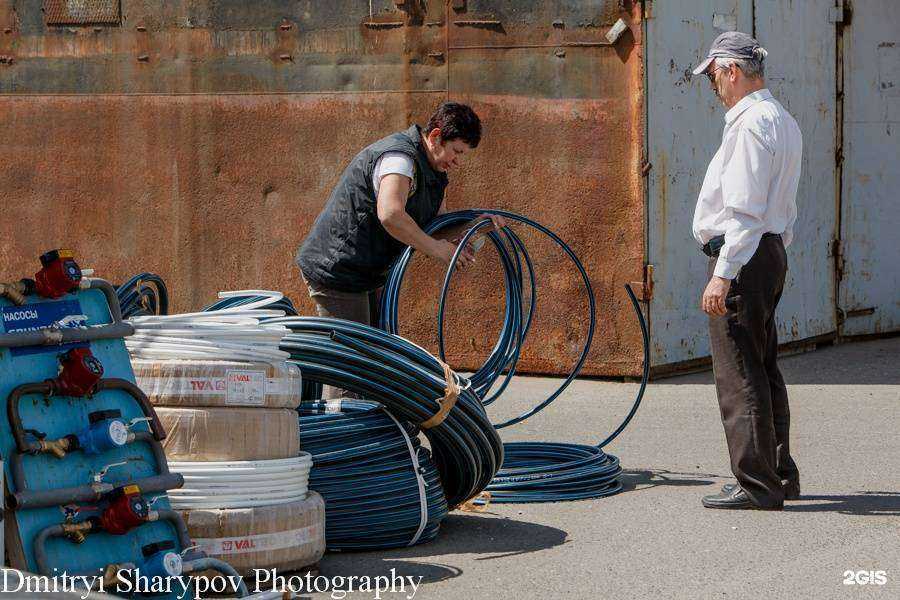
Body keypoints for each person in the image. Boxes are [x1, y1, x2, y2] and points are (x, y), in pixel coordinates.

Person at [296, 102, 504, 396]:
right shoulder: (399, 159)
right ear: (435, 136)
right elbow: (391, 214)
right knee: (353, 367)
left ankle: (369, 419)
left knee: (377, 356)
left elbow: (435, 226)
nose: (458, 161)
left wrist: (475, 226)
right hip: (339, 269)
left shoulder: (433, 171)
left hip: (367, 272)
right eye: (456, 151)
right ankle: (345, 423)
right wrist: (437, 249)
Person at [690, 32, 803, 510]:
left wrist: (724, 272)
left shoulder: (749, 124)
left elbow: (744, 210)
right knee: (762, 365)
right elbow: (781, 208)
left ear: (732, 71)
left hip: (746, 254)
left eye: (714, 76)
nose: (714, 86)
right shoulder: (782, 120)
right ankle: (778, 474)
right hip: (767, 251)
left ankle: (757, 484)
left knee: (739, 372)